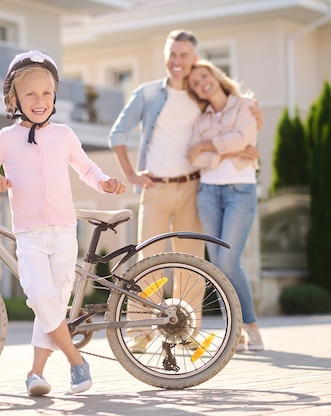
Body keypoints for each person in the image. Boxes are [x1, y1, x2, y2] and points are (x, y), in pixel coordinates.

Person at [0, 50, 126, 396]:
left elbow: (87, 169)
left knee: (51, 304)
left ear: (54, 97)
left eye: (46, 93)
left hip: (64, 233)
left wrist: (105, 182)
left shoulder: (64, 134)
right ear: (14, 98)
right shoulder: (6, 139)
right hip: (29, 235)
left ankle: (35, 374)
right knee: (41, 297)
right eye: (30, 94)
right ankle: (76, 361)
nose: (39, 100)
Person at [108, 29, 262, 353]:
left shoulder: (199, 96)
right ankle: (141, 330)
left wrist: (248, 136)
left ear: (194, 59)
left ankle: (186, 331)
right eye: (172, 54)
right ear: (166, 55)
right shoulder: (148, 94)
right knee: (150, 260)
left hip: (195, 187)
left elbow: (228, 120)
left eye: (184, 56)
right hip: (156, 189)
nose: (177, 62)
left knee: (192, 263)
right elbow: (117, 133)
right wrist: (131, 174)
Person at [185, 59, 264, 351]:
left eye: (204, 76)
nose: (201, 83)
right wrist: (233, 151)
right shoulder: (200, 120)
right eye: (195, 83)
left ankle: (251, 326)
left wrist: (208, 146)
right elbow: (193, 157)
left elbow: (245, 137)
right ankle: (236, 332)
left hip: (240, 191)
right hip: (207, 193)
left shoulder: (246, 106)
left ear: (215, 76)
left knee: (229, 261)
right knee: (217, 266)